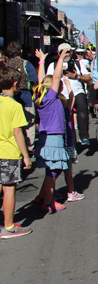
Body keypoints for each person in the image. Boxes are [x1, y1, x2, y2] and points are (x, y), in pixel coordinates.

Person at [33, 47, 82, 213]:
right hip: (54, 137)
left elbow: (42, 79)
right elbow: (55, 77)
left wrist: (41, 61)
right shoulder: (51, 97)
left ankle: (42, 197)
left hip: (46, 137)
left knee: (52, 169)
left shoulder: (41, 96)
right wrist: (60, 58)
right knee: (53, 171)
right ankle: (48, 202)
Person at [0, 66, 32, 237]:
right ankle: (9, 226)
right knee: (9, 189)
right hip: (8, 152)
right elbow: (18, 133)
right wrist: (26, 155)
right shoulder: (15, 105)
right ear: (15, 84)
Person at [46, 46, 91, 146]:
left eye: (68, 51)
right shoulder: (53, 65)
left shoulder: (77, 63)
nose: (66, 54)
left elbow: (89, 78)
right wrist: (59, 72)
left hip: (77, 92)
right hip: (62, 95)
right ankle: (71, 144)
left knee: (82, 108)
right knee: (67, 119)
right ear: (59, 53)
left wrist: (77, 76)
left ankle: (84, 136)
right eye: (63, 52)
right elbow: (47, 80)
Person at [4, 42, 37, 152]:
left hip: (10, 98)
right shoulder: (26, 64)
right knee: (29, 124)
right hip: (26, 97)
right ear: (21, 51)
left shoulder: (6, 66)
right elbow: (34, 79)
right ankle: (29, 146)